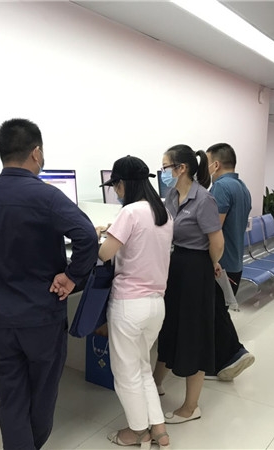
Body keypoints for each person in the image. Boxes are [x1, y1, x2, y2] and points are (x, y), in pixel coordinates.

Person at [0, 118, 98, 450]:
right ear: (36, 153)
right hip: (40, 317)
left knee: (10, 400)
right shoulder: (46, 196)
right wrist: (72, 276)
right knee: (42, 396)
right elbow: (87, 236)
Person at [97, 155, 173, 449]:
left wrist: (99, 236)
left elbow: (105, 254)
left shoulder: (129, 212)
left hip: (129, 305)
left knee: (126, 373)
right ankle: (159, 430)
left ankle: (137, 432)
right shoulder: (163, 213)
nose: (115, 192)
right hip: (156, 305)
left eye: (115, 186)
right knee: (142, 367)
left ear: (123, 184)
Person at [153, 145, 224, 424]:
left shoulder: (203, 199)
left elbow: (216, 242)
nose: (163, 172)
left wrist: (211, 262)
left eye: (165, 167)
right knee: (170, 327)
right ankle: (155, 383)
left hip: (196, 270)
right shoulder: (172, 195)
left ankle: (191, 406)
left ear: (181, 168)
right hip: (176, 266)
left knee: (193, 335)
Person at [205, 143, 255, 381]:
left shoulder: (221, 187)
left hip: (221, 264)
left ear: (215, 164)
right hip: (234, 261)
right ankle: (220, 360)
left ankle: (234, 354)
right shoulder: (242, 187)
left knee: (215, 313)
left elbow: (214, 230)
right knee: (217, 311)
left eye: (206, 163)